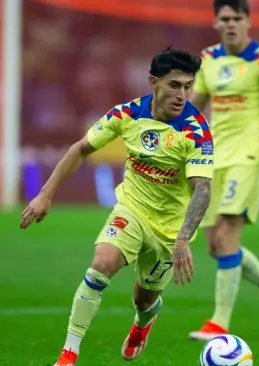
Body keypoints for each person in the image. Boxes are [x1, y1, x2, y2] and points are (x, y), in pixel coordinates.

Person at [19, 47, 214, 365]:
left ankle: (143, 322)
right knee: (102, 263)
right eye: (174, 85)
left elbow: (202, 189)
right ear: (154, 82)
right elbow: (81, 148)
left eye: (187, 86)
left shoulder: (196, 130)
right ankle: (69, 353)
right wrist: (45, 195)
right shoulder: (127, 114)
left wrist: (182, 239)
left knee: (144, 297)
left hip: (169, 229)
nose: (182, 94)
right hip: (132, 208)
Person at [188, 0, 259, 341]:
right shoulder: (208, 59)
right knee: (214, 245)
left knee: (229, 234)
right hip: (213, 158)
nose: (231, 24)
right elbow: (194, 107)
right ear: (216, 23)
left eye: (237, 18)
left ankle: (219, 323)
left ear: (248, 21)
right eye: (225, 18)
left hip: (249, 157)